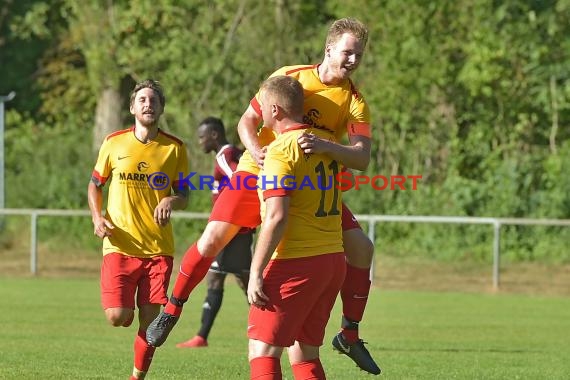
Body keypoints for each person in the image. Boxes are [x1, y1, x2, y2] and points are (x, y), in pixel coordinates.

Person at [147, 17, 381, 375]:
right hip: (259, 171)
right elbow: (245, 121)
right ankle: (173, 308)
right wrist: (257, 151)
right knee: (212, 238)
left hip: (306, 184)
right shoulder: (292, 76)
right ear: (329, 48)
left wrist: (323, 145)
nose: (352, 61)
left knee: (362, 247)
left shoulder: (354, 101)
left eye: (359, 55)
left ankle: (349, 333)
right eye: (348, 52)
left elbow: (362, 157)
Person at [88, 79, 189, 380]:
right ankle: (124, 304)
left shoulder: (175, 149)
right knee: (118, 317)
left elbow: (184, 196)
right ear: (132, 107)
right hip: (119, 243)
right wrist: (96, 217)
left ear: (160, 109)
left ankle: (137, 377)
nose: (148, 105)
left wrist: (171, 199)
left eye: (153, 101)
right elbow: (95, 185)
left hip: (158, 249)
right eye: (142, 100)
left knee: (151, 324)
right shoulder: (114, 142)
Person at [247, 75, 345, 379]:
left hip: (296, 262)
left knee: (262, 351)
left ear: (274, 110)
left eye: (262, 106)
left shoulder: (281, 150)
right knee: (304, 352)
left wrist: (255, 271)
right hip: (332, 259)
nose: (259, 112)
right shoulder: (324, 147)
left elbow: (277, 217)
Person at [176, 117, 254, 349]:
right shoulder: (233, 153)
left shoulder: (225, 155)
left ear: (214, 136)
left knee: (246, 280)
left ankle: (274, 327)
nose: (199, 142)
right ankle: (201, 336)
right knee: (223, 278)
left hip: (233, 229)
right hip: (235, 229)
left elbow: (244, 181)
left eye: (202, 137)